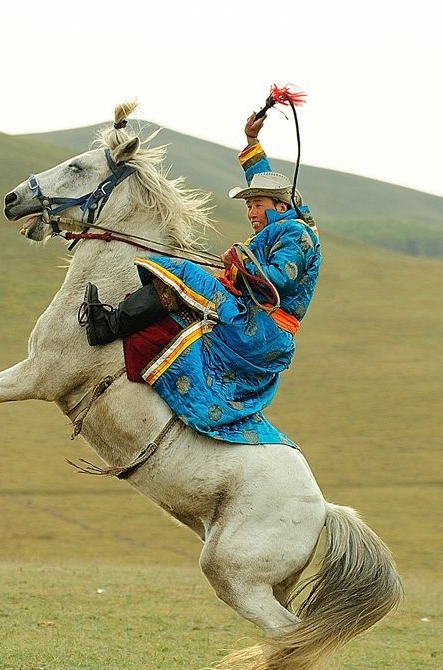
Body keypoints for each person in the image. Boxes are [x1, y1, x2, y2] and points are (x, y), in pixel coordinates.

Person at [76, 110, 321, 447]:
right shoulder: (283, 224)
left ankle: (109, 325)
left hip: (263, 329)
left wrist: (240, 263)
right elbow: (264, 182)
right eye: (248, 206)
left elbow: (279, 281)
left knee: (184, 273)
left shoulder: (295, 234)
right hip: (254, 320)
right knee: (191, 278)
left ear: (280, 206)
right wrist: (251, 141)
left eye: (257, 205)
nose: (251, 212)